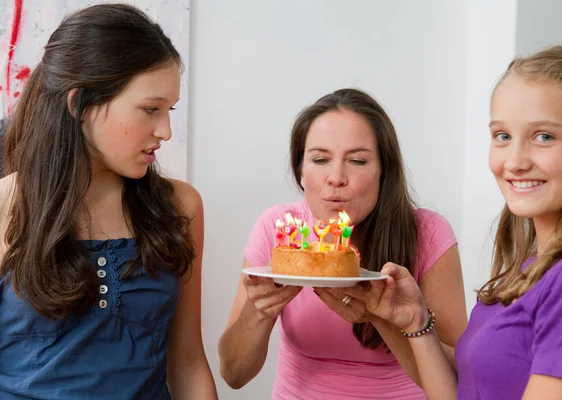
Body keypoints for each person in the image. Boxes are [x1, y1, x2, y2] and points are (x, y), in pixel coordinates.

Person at [345, 45, 562, 400]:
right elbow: (469, 389)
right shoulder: (534, 266)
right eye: (503, 136)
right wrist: (414, 322)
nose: (515, 161)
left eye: (544, 136)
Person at [0, 4, 217, 399]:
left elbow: (186, 362)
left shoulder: (180, 207)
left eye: (169, 110)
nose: (165, 130)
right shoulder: (5, 205)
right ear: (79, 104)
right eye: (150, 109)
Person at [218, 88, 468, 399]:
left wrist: (381, 317)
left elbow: (460, 384)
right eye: (320, 159)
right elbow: (233, 374)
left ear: (384, 171)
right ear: (300, 170)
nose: (336, 178)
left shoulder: (428, 233)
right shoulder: (277, 229)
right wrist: (259, 312)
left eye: (358, 161)